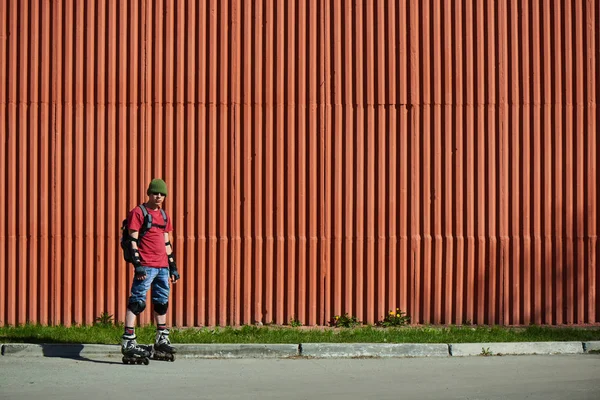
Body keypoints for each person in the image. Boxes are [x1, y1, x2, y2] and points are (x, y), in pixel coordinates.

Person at [121, 178, 180, 359]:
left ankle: (161, 339)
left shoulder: (164, 216)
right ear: (149, 193)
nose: (159, 196)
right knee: (137, 301)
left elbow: (166, 241)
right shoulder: (138, 213)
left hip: (162, 266)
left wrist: (173, 266)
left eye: (162, 194)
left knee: (161, 302)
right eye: (156, 193)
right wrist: (137, 265)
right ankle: (128, 340)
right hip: (146, 265)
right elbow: (132, 240)